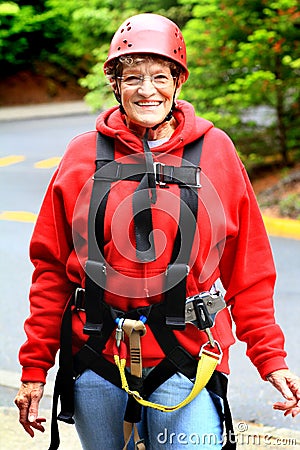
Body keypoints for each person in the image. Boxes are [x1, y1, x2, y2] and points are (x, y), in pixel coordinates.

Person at [15, 12, 300, 450]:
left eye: (159, 76)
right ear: (115, 84)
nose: (147, 90)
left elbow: (250, 269)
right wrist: (35, 371)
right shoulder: (80, 157)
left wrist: (272, 360)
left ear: (178, 82)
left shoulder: (216, 152)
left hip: (187, 355)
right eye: (132, 78)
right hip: (97, 356)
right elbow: (51, 271)